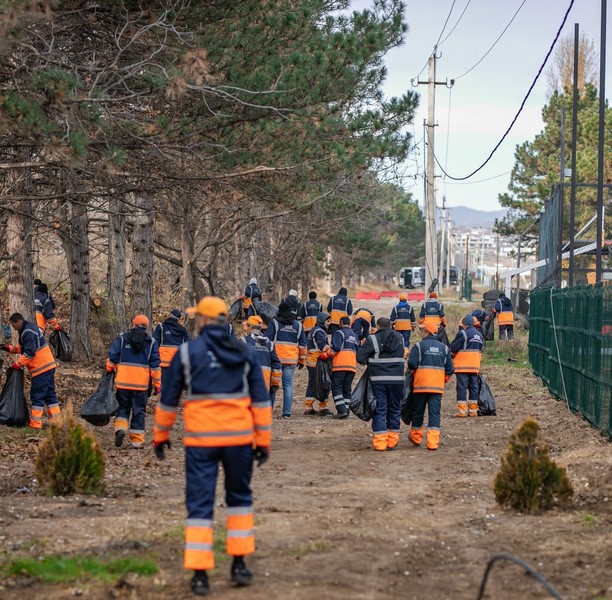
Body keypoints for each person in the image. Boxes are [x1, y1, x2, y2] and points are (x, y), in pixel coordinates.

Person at [153, 297, 271, 596]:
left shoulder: (187, 353)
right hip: (238, 441)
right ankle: (239, 564)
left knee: (199, 504)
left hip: (201, 443)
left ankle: (200, 575)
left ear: (204, 320)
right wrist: (262, 441)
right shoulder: (244, 352)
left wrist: (160, 436)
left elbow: (168, 400)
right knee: (239, 499)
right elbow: (260, 401)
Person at [106, 315, 161, 449]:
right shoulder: (151, 342)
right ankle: (137, 442)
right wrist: (157, 385)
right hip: (141, 386)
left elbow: (112, 358)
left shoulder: (122, 338)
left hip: (123, 383)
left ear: (134, 324)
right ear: (146, 326)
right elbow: (155, 366)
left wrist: (109, 369)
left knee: (123, 408)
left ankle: (120, 429)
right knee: (139, 412)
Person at [2, 313, 60, 429]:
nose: (14, 328)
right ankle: (57, 421)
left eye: (14, 325)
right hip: (48, 366)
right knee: (50, 395)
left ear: (19, 322)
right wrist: (10, 349)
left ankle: (35, 424)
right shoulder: (29, 328)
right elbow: (25, 347)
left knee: (37, 394)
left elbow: (30, 352)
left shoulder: (27, 332)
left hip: (41, 368)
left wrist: (17, 364)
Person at [357, 317, 405, 451]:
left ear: (378, 326)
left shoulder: (373, 339)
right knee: (394, 408)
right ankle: (392, 441)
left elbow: (360, 357)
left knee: (379, 409)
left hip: (378, 380)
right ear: (390, 325)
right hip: (397, 380)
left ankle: (380, 443)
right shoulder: (400, 338)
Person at [407, 322, 454, 450]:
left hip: (420, 386)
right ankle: (432, 443)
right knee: (434, 414)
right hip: (436, 388)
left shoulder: (418, 346)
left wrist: (416, 374)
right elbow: (450, 369)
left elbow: (412, 364)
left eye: (422, 331)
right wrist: (441, 380)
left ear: (427, 332)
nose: (421, 333)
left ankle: (416, 438)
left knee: (418, 412)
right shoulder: (444, 348)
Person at [264, 301, 306, 418]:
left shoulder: (275, 323)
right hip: (291, 360)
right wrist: (302, 360)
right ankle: (287, 413)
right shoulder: (298, 325)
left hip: (276, 360)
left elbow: (267, 340)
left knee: (273, 385)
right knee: (288, 385)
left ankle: (268, 412)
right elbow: (303, 345)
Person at [450, 315, 484, 417]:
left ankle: (462, 411)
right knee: (474, 388)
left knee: (462, 388)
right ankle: (473, 411)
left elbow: (453, 348)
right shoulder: (480, 335)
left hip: (463, 366)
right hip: (475, 366)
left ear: (465, 325)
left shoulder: (463, 333)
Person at [326, 315, 359, 418]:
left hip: (340, 365)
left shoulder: (339, 333)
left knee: (336, 388)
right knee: (347, 389)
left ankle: (341, 410)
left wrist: (326, 355)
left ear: (341, 323)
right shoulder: (355, 335)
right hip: (352, 366)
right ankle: (346, 409)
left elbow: (335, 348)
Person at [242, 316, 281, 401]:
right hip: (265, 382)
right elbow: (276, 365)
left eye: (247, 326)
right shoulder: (269, 344)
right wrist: (275, 383)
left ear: (250, 327)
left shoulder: (243, 342)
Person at [153, 309, 190, 389]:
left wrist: (155, 359)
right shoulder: (183, 330)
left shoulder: (161, 327)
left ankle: (162, 395)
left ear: (170, 315)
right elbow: (188, 344)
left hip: (163, 362)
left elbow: (155, 343)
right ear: (179, 319)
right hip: (177, 362)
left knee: (163, 385)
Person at [304, 312, 332, 416]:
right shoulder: (320, 332)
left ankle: (309, 407)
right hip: (319, 362)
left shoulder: (313, 330)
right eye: (327, 321)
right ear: (322, 321)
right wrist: (333, 350)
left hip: (311, 362)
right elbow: (324, 347)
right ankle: (323, 407)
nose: (329, 323)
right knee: (324, 384)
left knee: (312, 384)